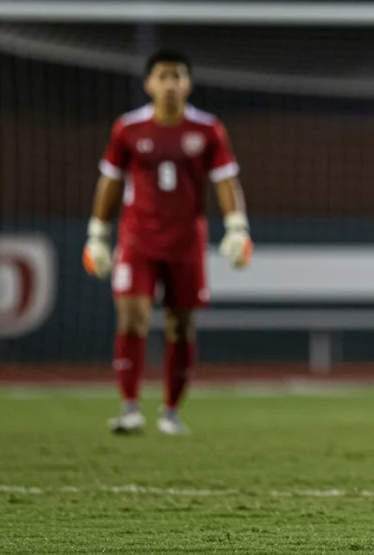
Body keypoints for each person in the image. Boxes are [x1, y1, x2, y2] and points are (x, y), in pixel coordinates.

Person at [83, 50, 253, 436]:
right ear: (149, 84)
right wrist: (97, 233)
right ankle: (129, 409)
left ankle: (171, 412)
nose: (171, 84)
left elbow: (225, 179)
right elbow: (109, 180)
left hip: (186, 242)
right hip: (137, 238)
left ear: (188, 84)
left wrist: (237, 226)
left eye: (178, 76)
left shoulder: (208, 129)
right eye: (163, 76)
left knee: (181, 324)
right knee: (132, 316)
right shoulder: (128, 128)